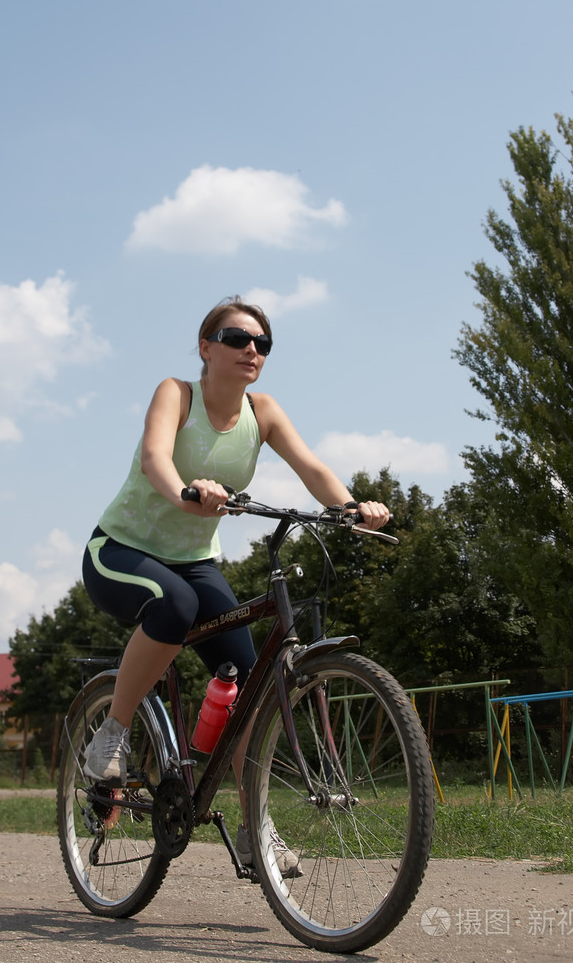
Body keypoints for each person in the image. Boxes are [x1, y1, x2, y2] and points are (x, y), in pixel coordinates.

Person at [80, 295, 390, 876]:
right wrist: (185, 494)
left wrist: (350, 506)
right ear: (206, 347)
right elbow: (154, 457)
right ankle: (112, 735)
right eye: (237, 338)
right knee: (175, 604)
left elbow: (312, 468)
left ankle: (256, 831)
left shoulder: (263, 412)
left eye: (262, 344)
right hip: (122, 550)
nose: (252, 350)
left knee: (254, 689)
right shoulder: (178, 393)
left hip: (196, 559)